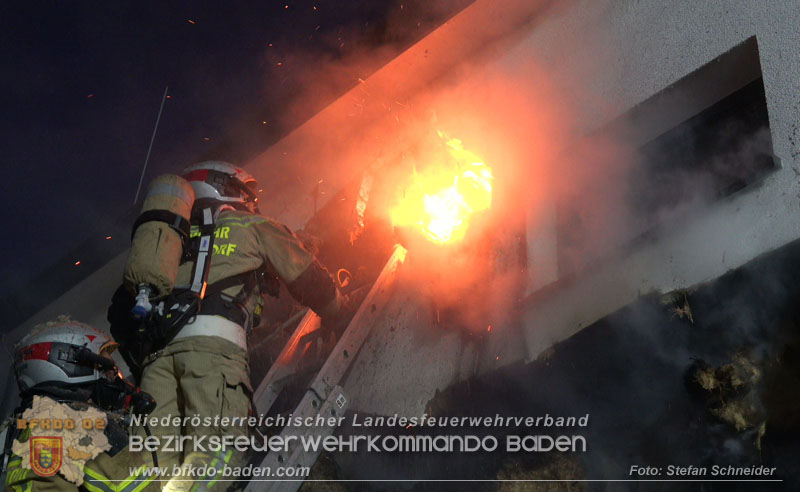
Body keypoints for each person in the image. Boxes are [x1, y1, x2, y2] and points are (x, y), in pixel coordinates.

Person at [135, 161, 344, 488]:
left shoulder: (171, 242)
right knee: (218, 457)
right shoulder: (251, 224)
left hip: (155, 364)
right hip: (212, 357)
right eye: (248, 194)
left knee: (153, 469)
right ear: (228, 188)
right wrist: (339, 312)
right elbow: (308, 277)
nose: (253, 202)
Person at [3, 316, 158, 492]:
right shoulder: (86, 423)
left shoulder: (13, 432)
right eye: (105, 369)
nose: (113, 378)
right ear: (68, 363)